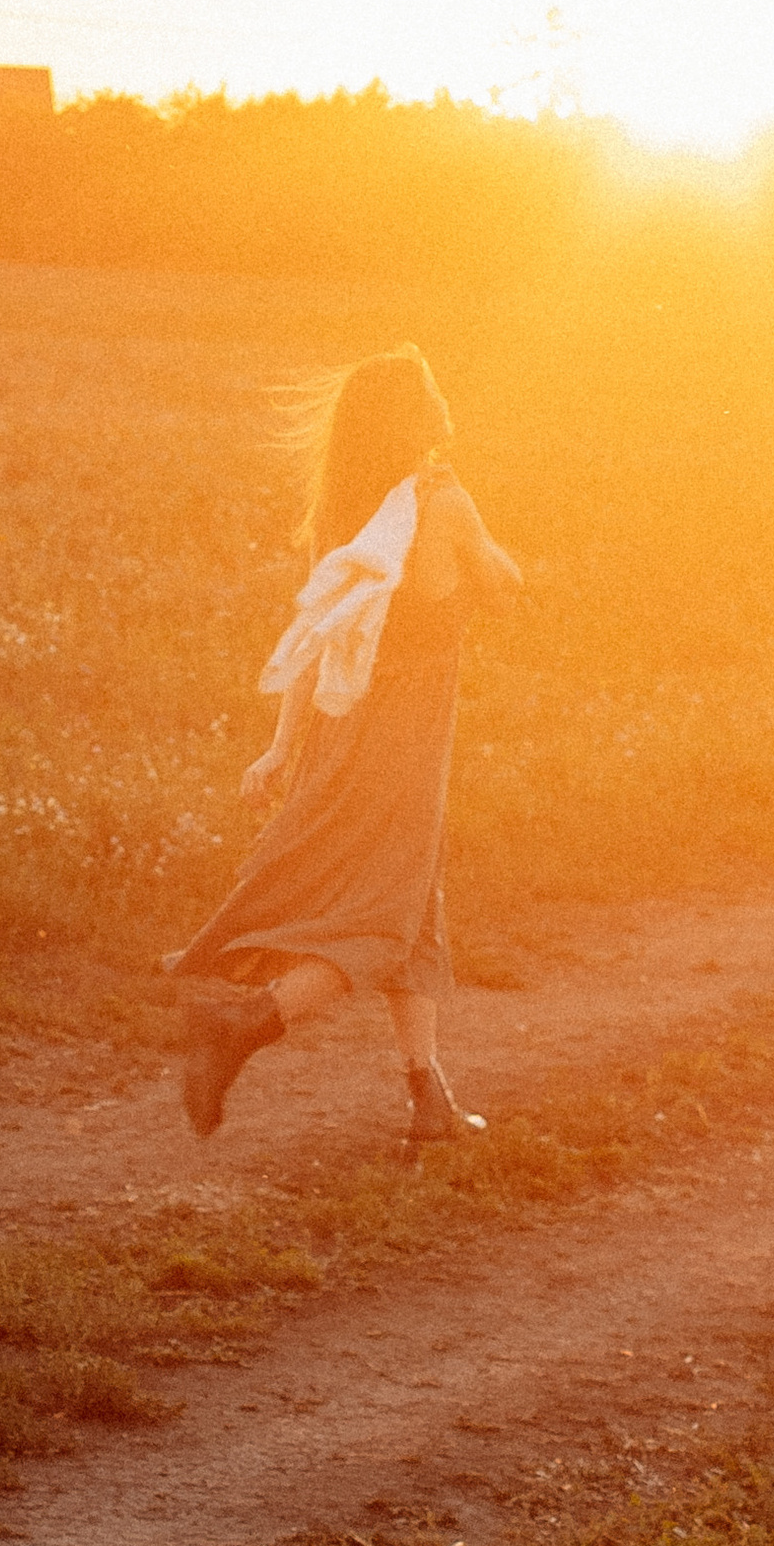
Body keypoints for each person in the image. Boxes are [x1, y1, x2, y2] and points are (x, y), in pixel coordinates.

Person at [164, 344, 521, 1147]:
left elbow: (317, 636)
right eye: (429, 389)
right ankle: (246, 1024)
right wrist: (495, 560)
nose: (441, 396)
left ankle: (428, 1098)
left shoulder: (345, 514)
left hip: (341, 727)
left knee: (412, 901)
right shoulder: (439, 498)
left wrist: (281, 744)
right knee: (382, 916)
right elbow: (503, 587)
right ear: (411, 416)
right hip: (403, 738)